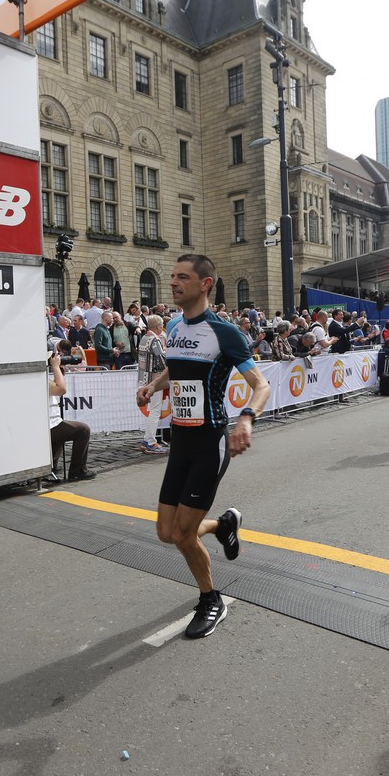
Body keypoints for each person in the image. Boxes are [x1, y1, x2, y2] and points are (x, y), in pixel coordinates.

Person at [136, 254, 270, 639]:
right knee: (167, 531)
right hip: (180, 441)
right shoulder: (174, 326)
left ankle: (211, 599)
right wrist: (154, 385)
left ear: (205, 284)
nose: (173, 283)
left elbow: (260, 385)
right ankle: (224, 524)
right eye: (172, 276)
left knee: (183, 536)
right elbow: (177, 367)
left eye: (182, 277)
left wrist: (246, 419)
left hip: (210, 443)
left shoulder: (224, 332)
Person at [47, 350, 95, 481]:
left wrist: (58, 370)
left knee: (64, 430)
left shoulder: (39, 379)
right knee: (83, 430)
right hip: (49, 425)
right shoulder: (40, 380)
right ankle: (77, 471)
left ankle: (52, 466)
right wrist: (55, 367)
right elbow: (61, 389)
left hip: (51, 423)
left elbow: (57, 386)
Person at [137, 314, 169, 454]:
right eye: (161, 326)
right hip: (154, 380)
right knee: (155, 411)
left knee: (152, 410)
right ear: (158, 326)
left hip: (144, 378)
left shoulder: (144, 338)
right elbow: (161, 360)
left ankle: (147, 440)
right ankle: (150, 441)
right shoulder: (154, 339)